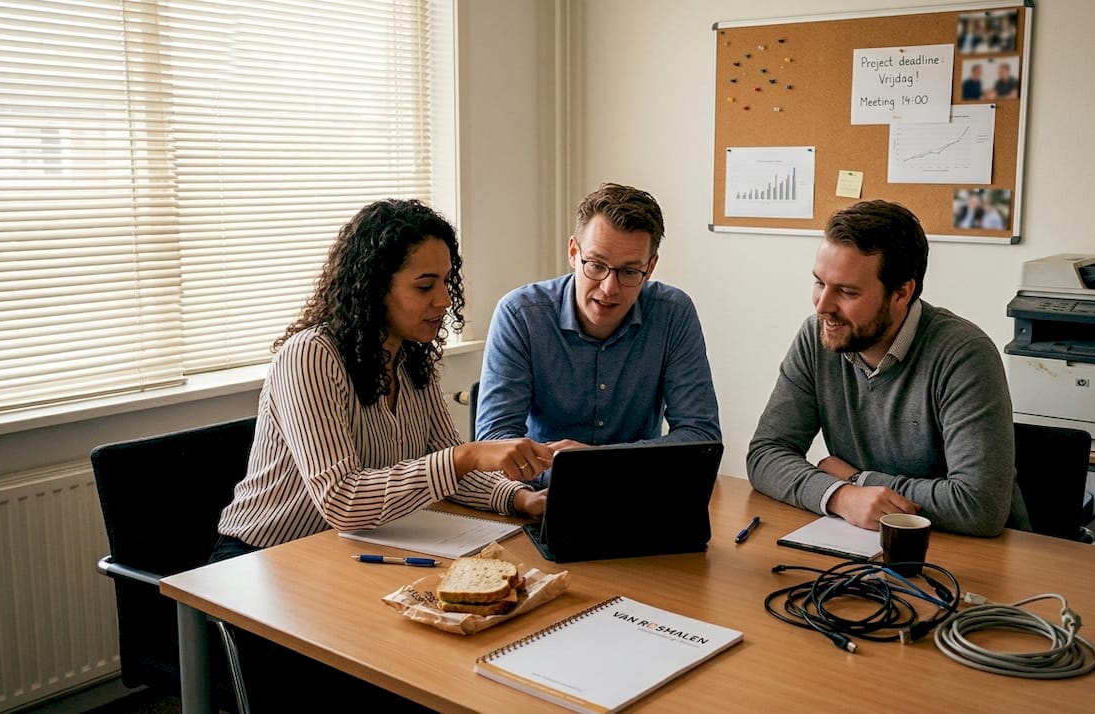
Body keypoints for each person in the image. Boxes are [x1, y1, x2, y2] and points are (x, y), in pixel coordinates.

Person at [208, 198, 554, 710]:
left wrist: (523, 500)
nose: (444, 299)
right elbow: (344, 500)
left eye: (446, 281)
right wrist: (466, 456)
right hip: (264, 565)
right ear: (373, 287)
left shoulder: (411, 357)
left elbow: (449, 468)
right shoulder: (311, 356)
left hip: (351, 553)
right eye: (424, 286)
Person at [746, 200, 1028, 537]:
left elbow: (978, 505)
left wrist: (857, 479)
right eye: (819, 283)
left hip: (972, 551)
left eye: (846, 292)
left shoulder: (963, 355)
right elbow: (765, 454)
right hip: (863, 541)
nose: (822, 306)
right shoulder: (817, 337)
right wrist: (840, 496)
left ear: (901, 293)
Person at [476, 182, 720, 481]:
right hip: (541, 495)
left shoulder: (672, 313)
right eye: (596, 265)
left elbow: (701, 437)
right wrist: (591, 469)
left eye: (629, 271)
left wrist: (594, 463)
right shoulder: (521, 315)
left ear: (650, 267)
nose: (609, 288)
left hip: (636, 492)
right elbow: (494, 444)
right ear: (573, 252)